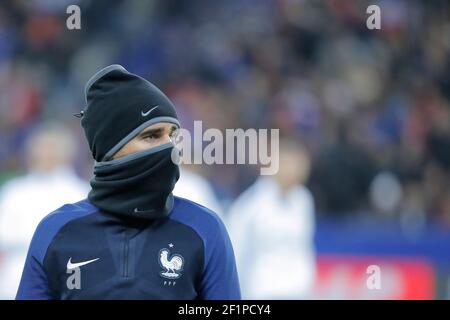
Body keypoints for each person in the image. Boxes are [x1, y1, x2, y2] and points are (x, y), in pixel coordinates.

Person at [16, 65, 240, 300]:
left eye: (173, 135)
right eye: (151, 136)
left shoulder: (204, 227)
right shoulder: (56, 231)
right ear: (110, 147)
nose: (170, 147)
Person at [0, 123, 89, 299]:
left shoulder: (79, 191)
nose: (44, 154)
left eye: (51, 148)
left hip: (68, 278)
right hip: (15, 278)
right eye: (39, 148)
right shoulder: (15, 191)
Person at [227, 139, 316, 299]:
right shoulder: (251, 204)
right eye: (290, 164)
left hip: (299, 289)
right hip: (264, 291)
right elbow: (236, 251)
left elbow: (305, 247)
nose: (296, 170)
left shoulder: (303, 200)